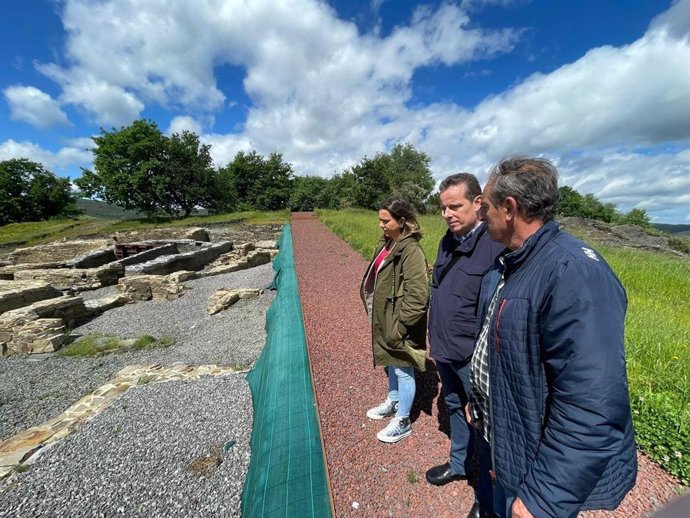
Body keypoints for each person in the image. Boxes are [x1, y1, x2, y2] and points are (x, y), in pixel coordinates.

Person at [469, 156, 637, 518]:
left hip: (533, 473)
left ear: (510, 208)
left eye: (485, 205)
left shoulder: (572, 271)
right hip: (505, 444)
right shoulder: (517, 261)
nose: (480, 215)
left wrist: (545, 498)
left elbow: (593, 404)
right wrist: (481, 401)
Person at [424, 173, 503, 518]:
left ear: (478, 204)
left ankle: (485, 495)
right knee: (455, 406)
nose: (447, 214)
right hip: (444, 348)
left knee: (487, 427)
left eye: (455, 206)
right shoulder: (447, 241)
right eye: (443, 208)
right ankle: (459, 464)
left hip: (473, 357)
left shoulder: (495, 246)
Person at [360, 196, 429, 443]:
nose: (381, 225)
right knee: (392, 361)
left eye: (385, 220)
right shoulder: (389, 243)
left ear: (402, 221)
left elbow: (418, 295)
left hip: (398, 322)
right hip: (387, 318)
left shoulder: (411, 250)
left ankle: (403, 420)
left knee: (403, 367)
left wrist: (400, 327)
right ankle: (394, 400)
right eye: (380, 220)